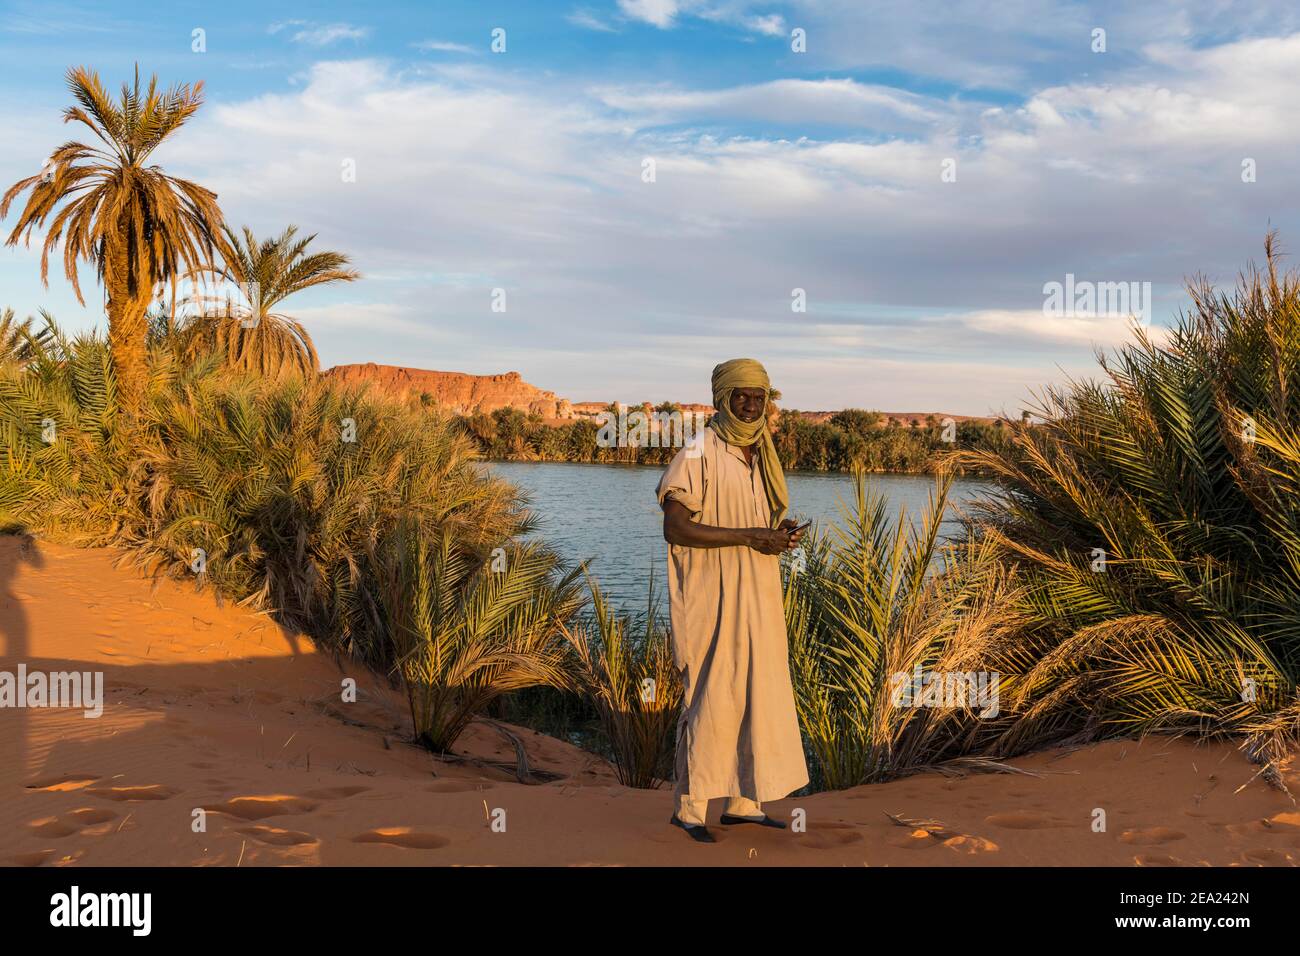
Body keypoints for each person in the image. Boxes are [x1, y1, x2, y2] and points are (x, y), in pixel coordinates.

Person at [655, 358, 809, 843]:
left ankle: (745, 803)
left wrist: (775, 534)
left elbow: (754, 517)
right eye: (739, 395)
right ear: (722, 399)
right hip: (711, 593)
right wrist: (749, 536)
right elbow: (675, 526)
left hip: (758, 589)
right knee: (710, 694)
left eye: (757, 395)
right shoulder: (699, 451)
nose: (749, 403)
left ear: (768, 400)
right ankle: (690, 810)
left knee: (757, 689)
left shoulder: (762, 452)